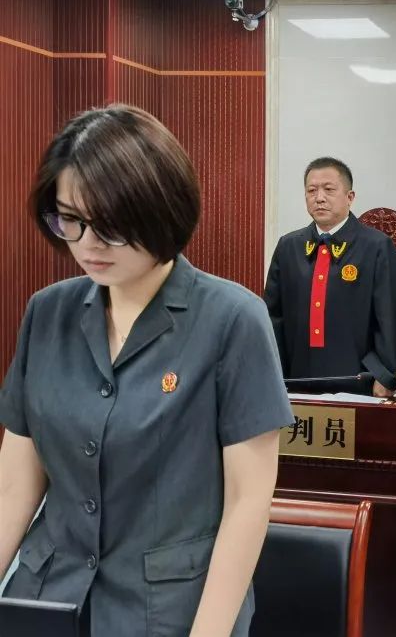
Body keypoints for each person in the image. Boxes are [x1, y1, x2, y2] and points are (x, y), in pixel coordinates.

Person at [0, 105, 294, 636]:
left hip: (169, 612)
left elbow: (247, 504)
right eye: (70, 219)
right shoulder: (47, 313)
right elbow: (15, 487)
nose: (87, 243)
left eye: (109, 224)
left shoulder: (232, 320)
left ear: (160, 209)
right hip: (49, 597)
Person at [263, 158, 396, 396]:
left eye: (329, 189)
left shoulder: (376, 246)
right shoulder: (288, 246)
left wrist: (384, 375)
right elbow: (272, 317)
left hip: (359, 381)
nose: (319, 198)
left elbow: (391, 318)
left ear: (350, 197)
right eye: (311, 190)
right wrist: (272, 373)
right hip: (295, 378)